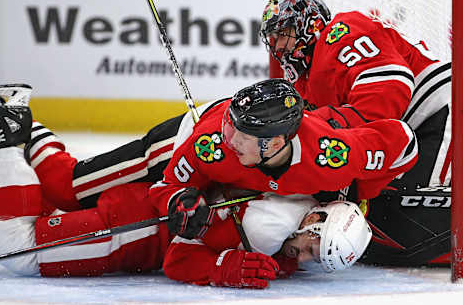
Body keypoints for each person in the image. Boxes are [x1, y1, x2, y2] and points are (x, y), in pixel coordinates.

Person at [0, 96, 372, 285]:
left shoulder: (291, 209)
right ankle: (8, 141)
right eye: (310, 246)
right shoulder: (269, 223)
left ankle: (23, 130)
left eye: (313, 259)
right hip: (142, 209)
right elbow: (181, 256)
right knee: (22, 245)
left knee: (57, 194)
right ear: (316, 217)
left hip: (145, 208)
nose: (302, 258)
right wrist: (222, 267)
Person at [259, 0, 452, 265]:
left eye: (283, 34)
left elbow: (391, 88)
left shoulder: (341, 32)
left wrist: (332, 128)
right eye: (272, 39)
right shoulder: (303, 83)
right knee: (382, 214)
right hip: (414, 130)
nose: (277, 46)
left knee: (415, 215)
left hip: (442, 108)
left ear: (308, 23)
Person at [148, 78, 417, 240]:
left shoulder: (332, 156)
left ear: (275, 143)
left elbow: (404, 142)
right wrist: (178, 199)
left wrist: (359, 193)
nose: (231, 141)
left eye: (240, 135)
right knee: (134, 166)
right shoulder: (214, 144)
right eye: (230, 129)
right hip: (183, 136)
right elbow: (164, 186)